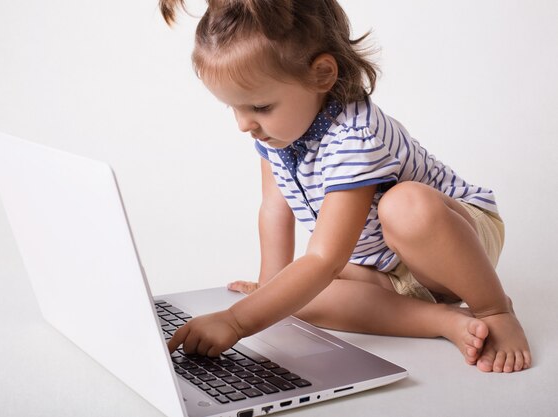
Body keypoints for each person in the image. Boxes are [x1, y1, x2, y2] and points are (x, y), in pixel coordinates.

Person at [158, 0, 531, 373]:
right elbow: (274, 208)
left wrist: (238, 321)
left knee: (403, 207)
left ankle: (493, 309)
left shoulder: (354, 137)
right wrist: (267, 289)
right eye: (234, 109)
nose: (244, 125)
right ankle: (448, 322)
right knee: (294, 298)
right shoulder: (275, 135)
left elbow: (326, 259)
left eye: (260, 107)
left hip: (459, 241)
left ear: (321, 75)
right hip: (385, 267)